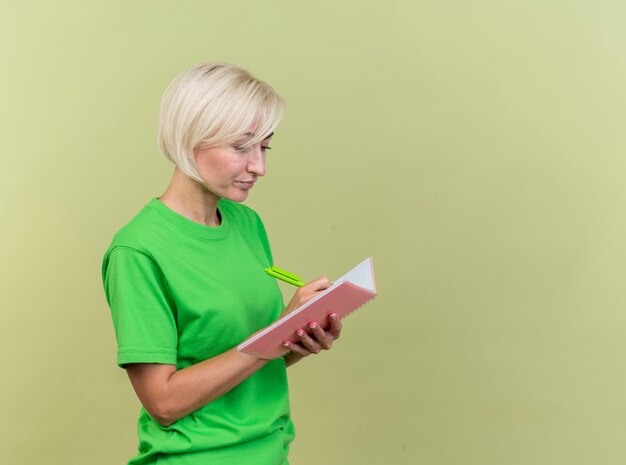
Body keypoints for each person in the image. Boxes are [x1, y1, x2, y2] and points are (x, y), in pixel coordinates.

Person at [101, 62, 343, 465]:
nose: (258, 166)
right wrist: (275, 336)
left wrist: (297, 338)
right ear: (189, 138)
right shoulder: (138, 251)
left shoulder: (246, 223)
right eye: (241, 146)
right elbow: (163, 402)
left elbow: (248, 358)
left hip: (271, 452)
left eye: (264, 146)